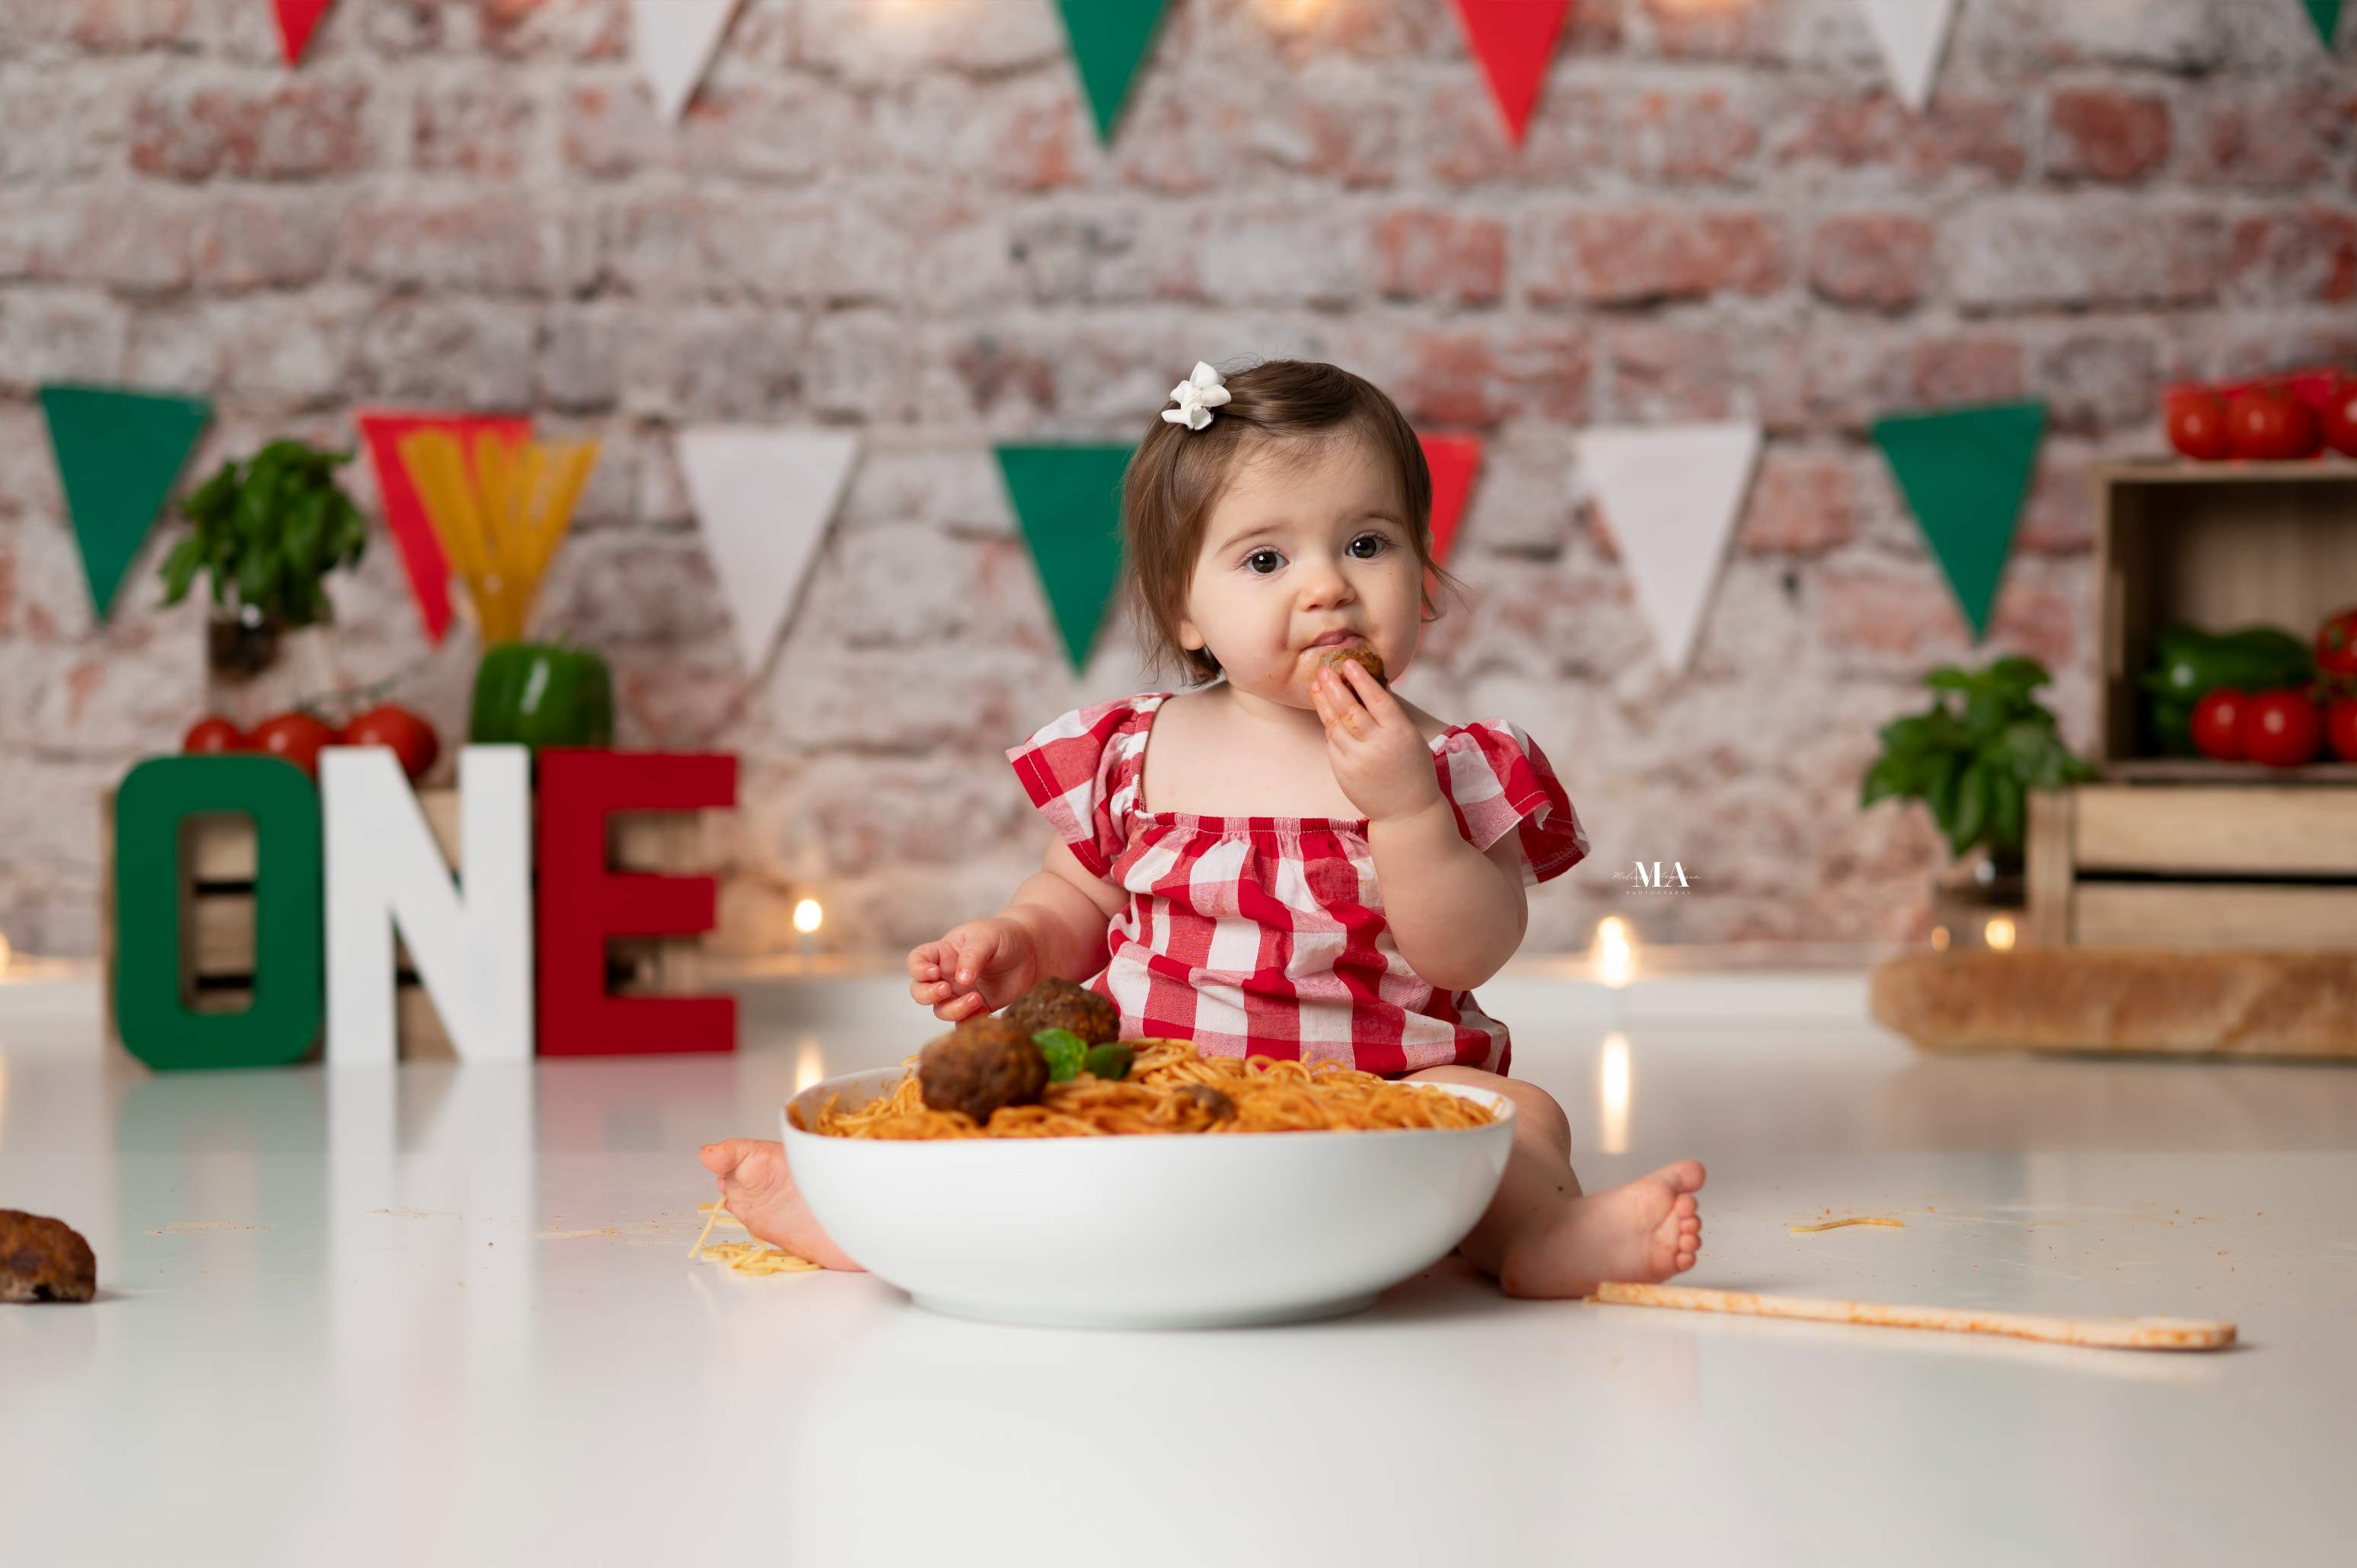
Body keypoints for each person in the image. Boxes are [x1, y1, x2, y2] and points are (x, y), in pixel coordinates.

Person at [703, 359, 1702, 1296]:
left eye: (1367, 543)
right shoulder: (1138, 751)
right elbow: (1075, 897)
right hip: (1148, 1087)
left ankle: (1540, 1239)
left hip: (1385, 1096)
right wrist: (1018, 945)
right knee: (990, 1097)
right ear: (1184, 610)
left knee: (1523, 1122)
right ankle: (870, 1227)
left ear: (1423, 572)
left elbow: (1468, 947)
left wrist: (1406, 811)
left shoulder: (1450, 764)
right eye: (1266, 558)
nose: (1327, 587)